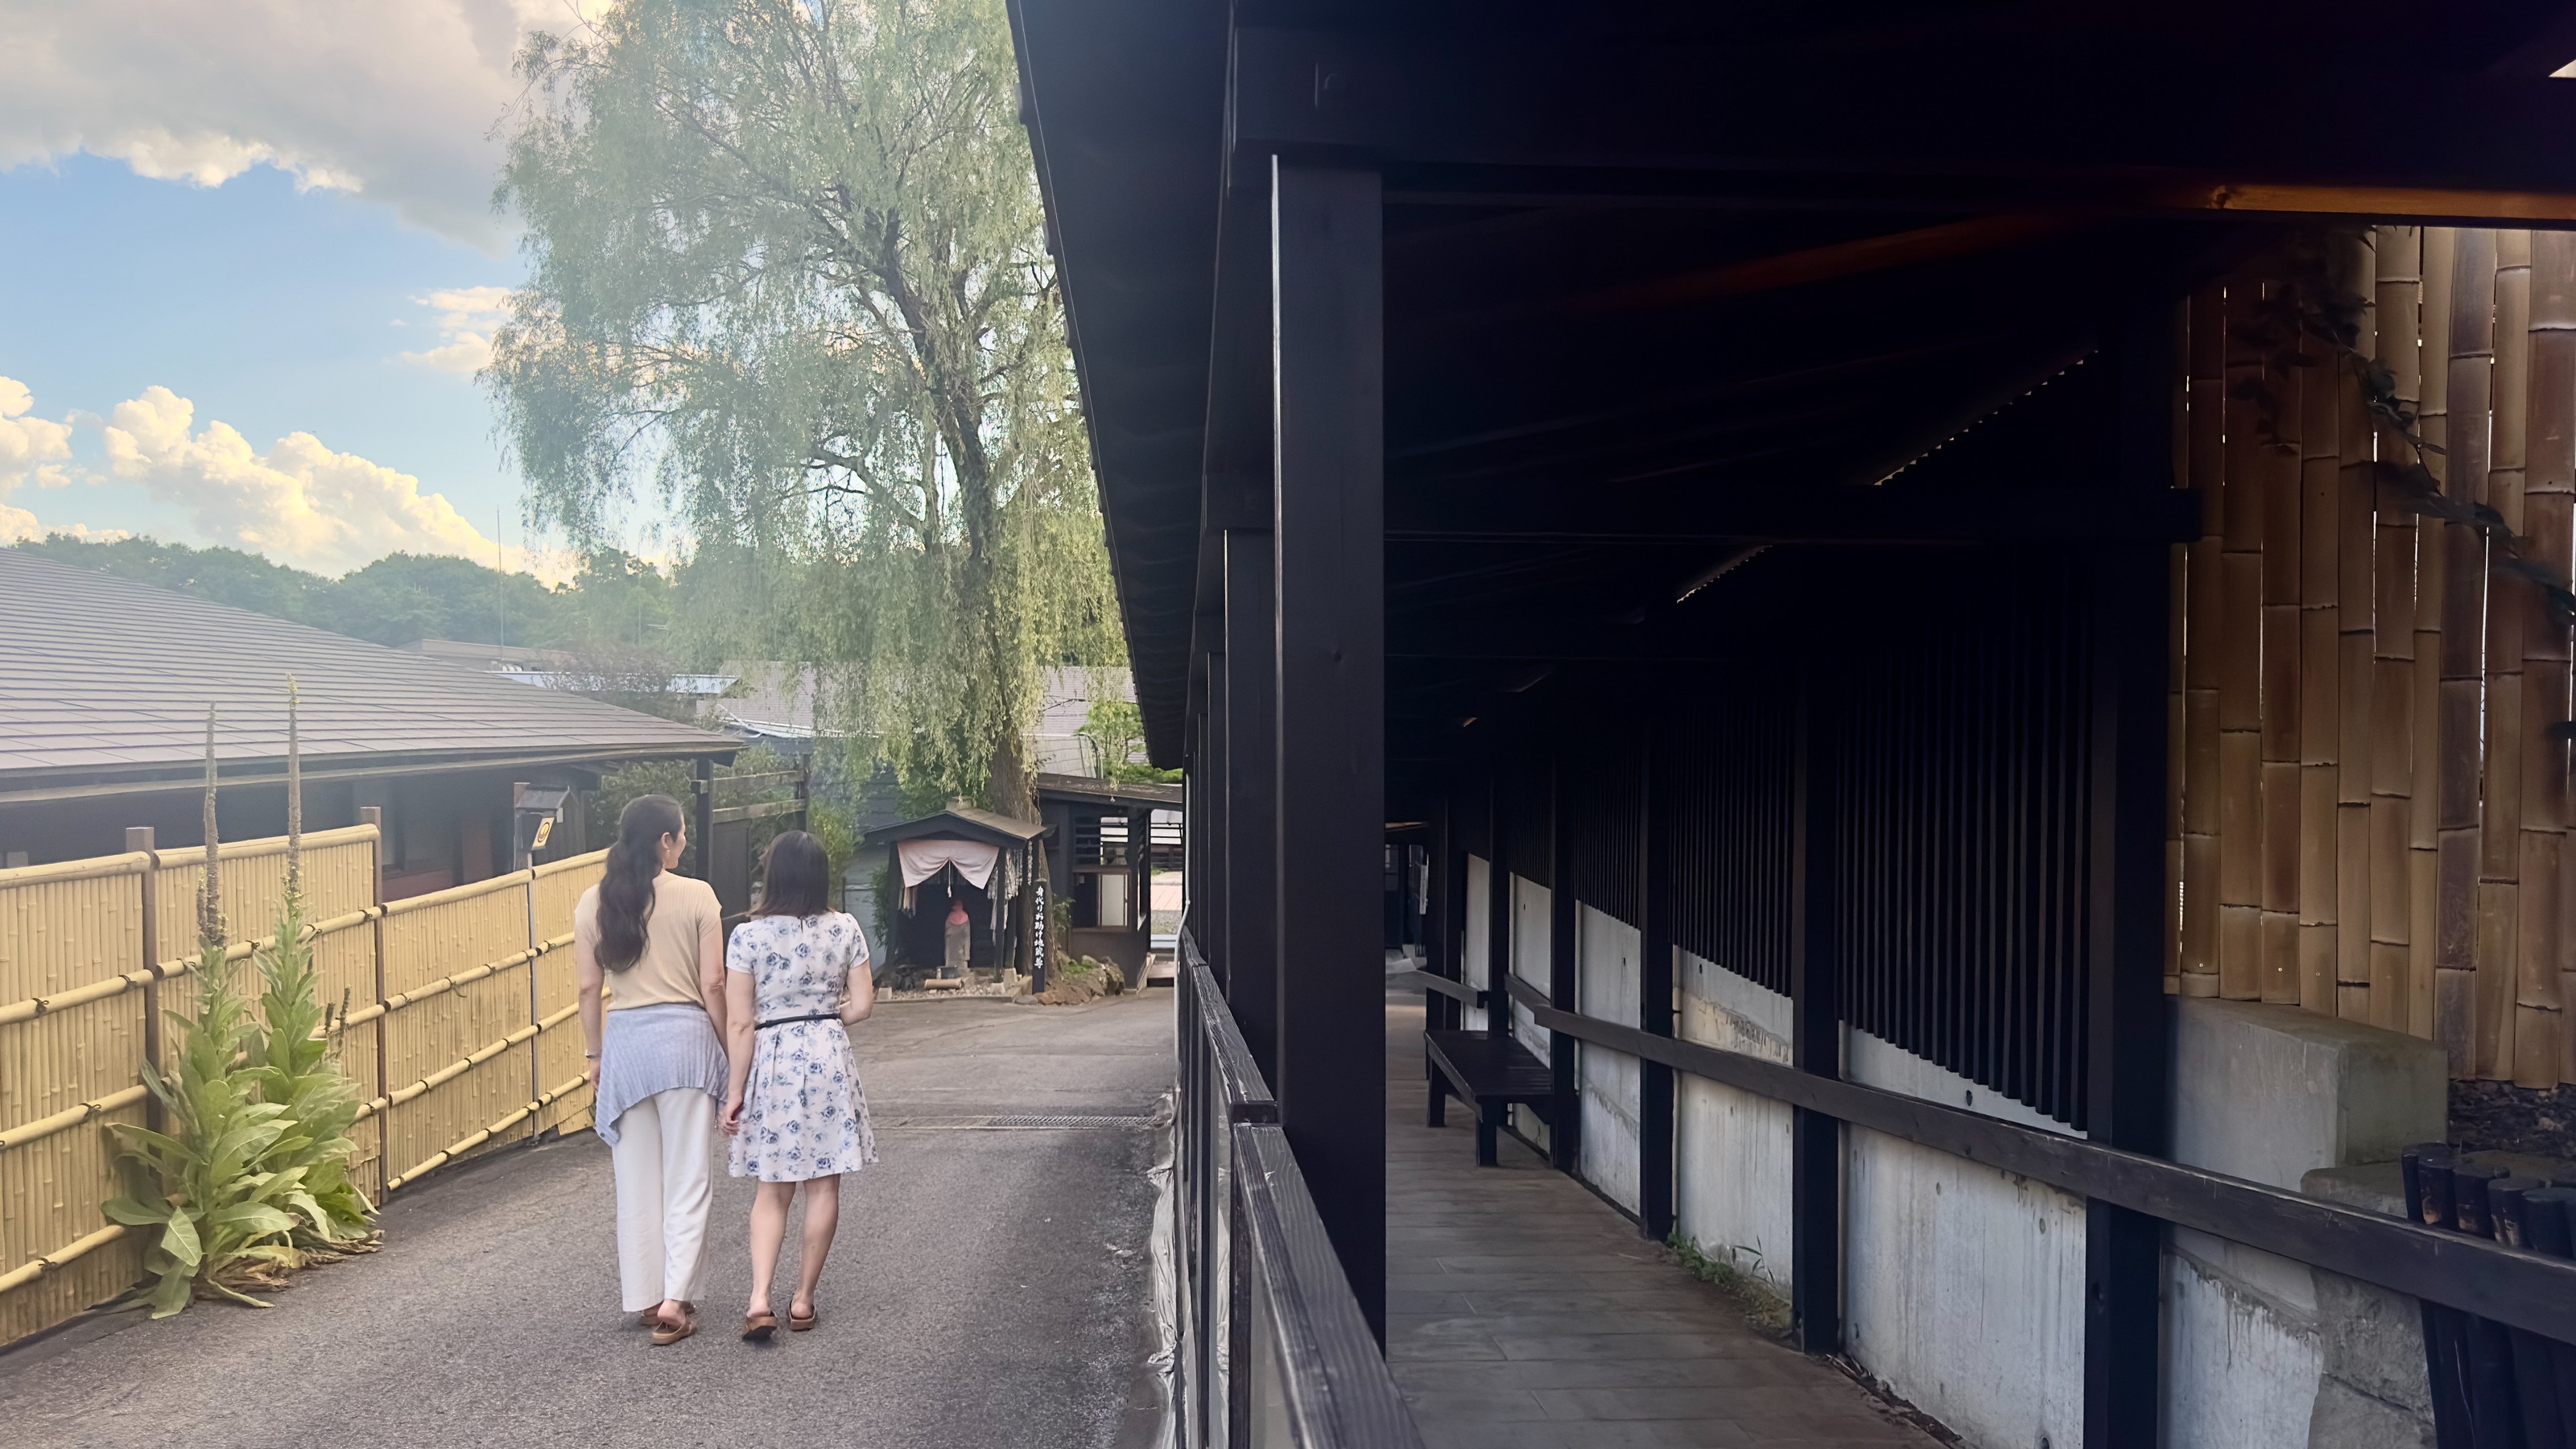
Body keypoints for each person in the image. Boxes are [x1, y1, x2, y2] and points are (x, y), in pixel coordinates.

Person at [576, 794, 729, 1347]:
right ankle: (675, 1296)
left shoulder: (594, 901)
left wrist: (594, 1056)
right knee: (688, 1177)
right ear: (665, 841)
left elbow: (589, 988)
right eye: (682, 836)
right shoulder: (697, 897)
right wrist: (728, 1047)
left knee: (636, 1180)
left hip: (627, 1046)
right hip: (685, 1042)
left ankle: (646, 1296)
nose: (684, 845)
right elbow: (713, 984)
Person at [720, 830, 877, 1341]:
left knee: (773, 1187)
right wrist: (826, 1020)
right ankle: (804, 1301)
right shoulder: (846, 929)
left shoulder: (748, 935)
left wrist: (735, 1090)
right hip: (827, 1054)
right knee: (824, 1184)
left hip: (773, 1061)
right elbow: (863, 1005)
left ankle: (759, 1298)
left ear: (773, 874)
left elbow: (740, 1024)